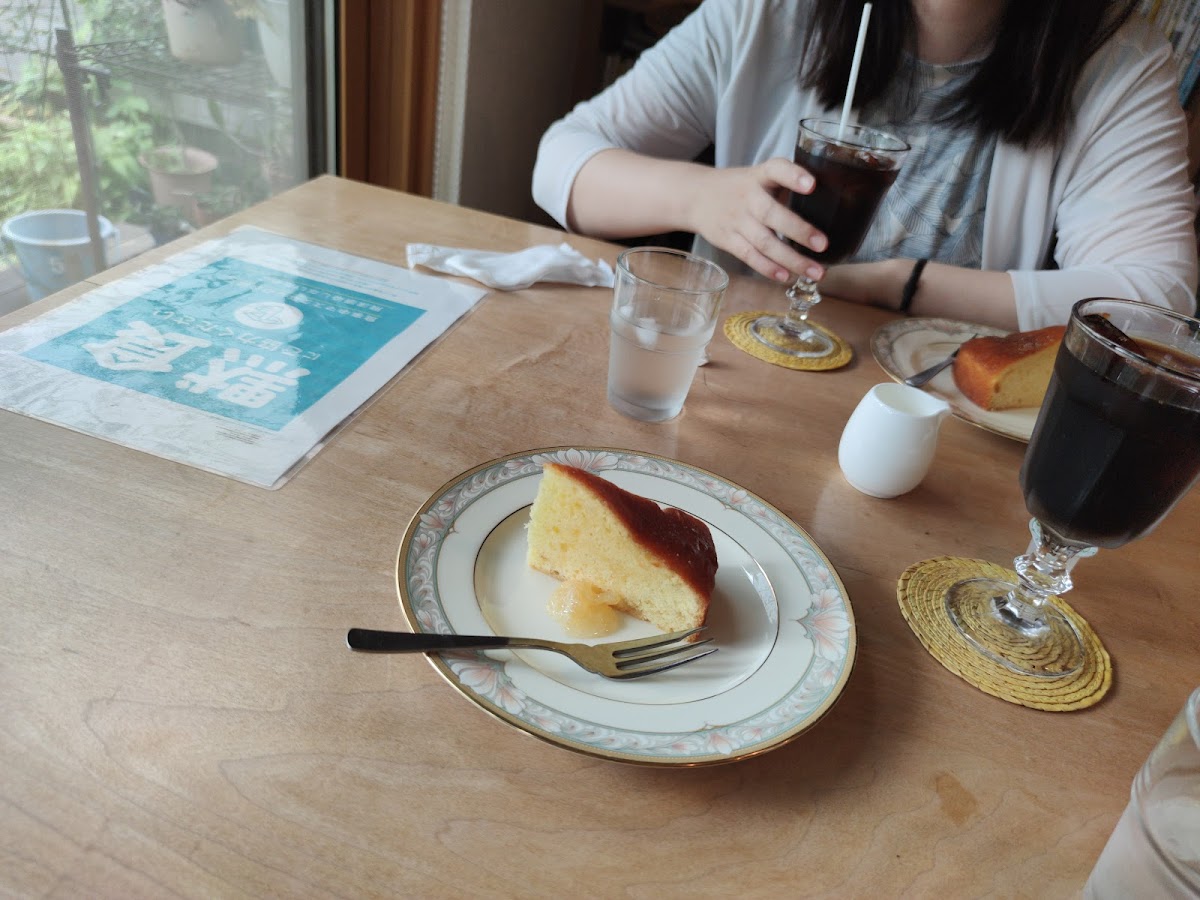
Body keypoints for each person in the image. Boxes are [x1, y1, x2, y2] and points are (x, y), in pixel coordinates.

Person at [531, 0, 1199, 331]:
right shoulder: (767, 12)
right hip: (736, 373)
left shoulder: (1116, 60)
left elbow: (1158, 302)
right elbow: (562, 164)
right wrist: (699, 196)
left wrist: (901, 286)